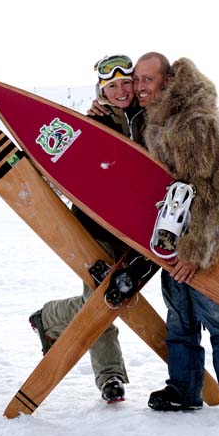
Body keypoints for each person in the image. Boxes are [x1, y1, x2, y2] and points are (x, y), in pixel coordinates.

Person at [134, 52, 219, 422]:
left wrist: (195, 250)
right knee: (180, 320)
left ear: (169, 80)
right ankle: (184, 389)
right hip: (178, 241)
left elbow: (216, 192)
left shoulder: (194, 122)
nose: (140, 87)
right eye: (137, 79)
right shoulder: (161, 121)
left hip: (209, 242)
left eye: (147, 80)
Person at [28, 54, 145, 403]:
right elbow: (61, 164)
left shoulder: (151, 118)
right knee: (102, 301)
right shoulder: (90, 123)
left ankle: (50, 316)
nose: (121, 91)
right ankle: (110, 377)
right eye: (112, 86)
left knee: (107, 297)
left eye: (126, 83)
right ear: (102, 90)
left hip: (139, 229)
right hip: (94, 227)